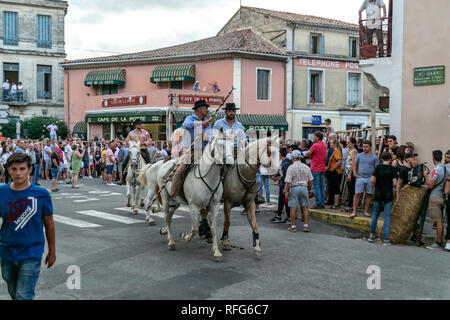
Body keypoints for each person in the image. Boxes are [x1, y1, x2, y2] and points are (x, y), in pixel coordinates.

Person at [0, 153, 56, 300]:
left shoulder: (41, 194)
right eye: (14, 169)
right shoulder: (2, 192)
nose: (18, 173)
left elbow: (49, 224)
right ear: (8, 170)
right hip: (7, 251)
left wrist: (52, 251)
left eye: (22, 169)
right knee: (13, 290)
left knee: (23, 294)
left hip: (32, 252)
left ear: (30, 170)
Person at [170, 99, 212, 197]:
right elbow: (186, 125)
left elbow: (209, 136)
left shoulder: (207, 122)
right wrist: (201, 124)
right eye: (206, 108)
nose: (207, 110)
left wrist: (205, 136)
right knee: (180, 170)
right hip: (190, 151)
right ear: (199, 109)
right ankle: (173, 193)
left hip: (204, 150)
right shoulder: (190, 118)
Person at [368, 152, 397, 245]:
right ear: (390, 159)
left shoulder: (378, 167)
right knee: (387, 216)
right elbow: (395, 183)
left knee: (375, 213)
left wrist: (376, 184)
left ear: (382, 158)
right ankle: (385, 239)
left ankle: (371, 235)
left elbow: (372, 179)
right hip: (388, 194)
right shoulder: (393, 169)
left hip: (378, 193)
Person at [424, 150, 449, 250]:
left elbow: (430, 185)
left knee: (438, 221)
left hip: (435, 197)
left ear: (433, 158)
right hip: (442, 196)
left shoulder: (437, 169)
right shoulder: (445, 168)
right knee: (439, 220)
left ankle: (438, 243)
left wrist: (426, 175)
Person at [284, 150, 314, 233]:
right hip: (304, 187)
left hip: (294, 188)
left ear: (293, 158)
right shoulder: (306, 167)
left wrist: (286, 191)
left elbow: (288, 181)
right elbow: (311, 180)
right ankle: (306, 226)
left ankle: (293, 226)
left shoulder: (291, 167)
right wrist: (309, 189)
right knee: (305, 207)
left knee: (293, 208)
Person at [350, 140, 379, 218]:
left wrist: (374, 178)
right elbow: (354, 165)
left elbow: (377, 169)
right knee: (357, 194)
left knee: (368, 195)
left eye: (366, 147)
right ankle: (354, 211)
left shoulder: (375, 157)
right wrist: (355, 174)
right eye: (363, 146)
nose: (364, 148)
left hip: (370, 178)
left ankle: (366, 211)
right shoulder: (359, 155)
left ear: (370, 147)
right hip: (360, 177)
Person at [304, 132, 327, 209]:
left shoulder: (315, 145)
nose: (313, 138)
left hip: (315, 168)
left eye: (314, 136)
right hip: (322, 168)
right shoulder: (324, 145)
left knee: (316, 187)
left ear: (317, 137)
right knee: (322, 186)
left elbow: (307, 154)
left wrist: (308, 156)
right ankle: (322, 203)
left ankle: (318, 203)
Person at [270, 147, 292, 223]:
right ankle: (278, 216)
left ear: (279, 154)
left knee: (285, 201)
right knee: (281, 201)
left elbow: (286, 176)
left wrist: (285, 188)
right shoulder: (285, 162)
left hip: (284, 185)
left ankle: (288, 217)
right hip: (283, 184)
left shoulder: (285, 163)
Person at [342, 137, 358, 213]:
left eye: (348, 142)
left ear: (353, 143)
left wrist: (350, 174)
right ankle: (350, 205)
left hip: (350, 173)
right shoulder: (350, 150)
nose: (347, 144)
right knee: (350, 189)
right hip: (348, 172)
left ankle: (350, 206)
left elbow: (353, 164)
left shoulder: (354, 152)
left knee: (351, 190)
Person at [327, 140, 343, 209]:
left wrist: (332, 169)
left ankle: (336, 204)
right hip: (335, 172)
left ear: (334, 144)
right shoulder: (336, 151)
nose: (330, 145)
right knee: (334, 187)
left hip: (336, 172)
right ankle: (336, 203)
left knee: (336, 187)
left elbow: (339, 162)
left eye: (331, 143)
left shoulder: (337, 151)